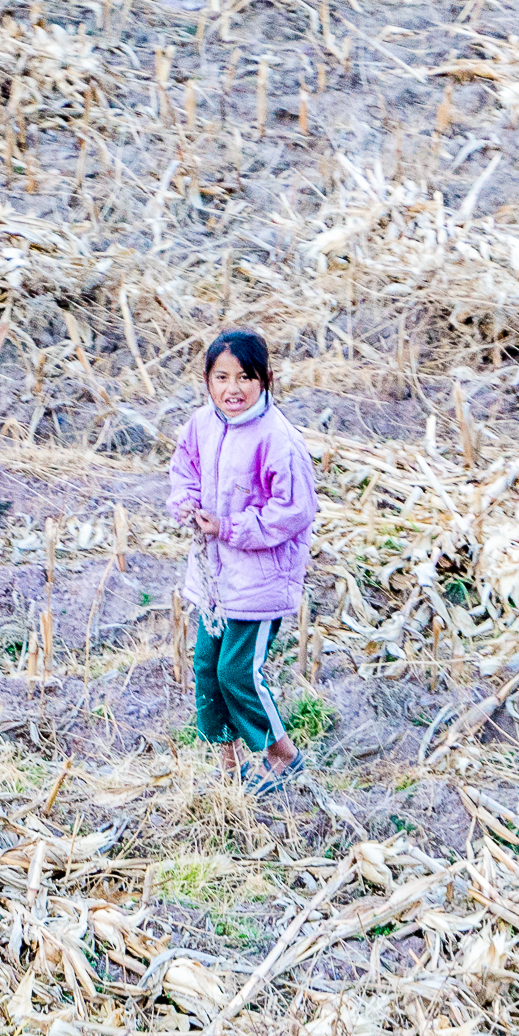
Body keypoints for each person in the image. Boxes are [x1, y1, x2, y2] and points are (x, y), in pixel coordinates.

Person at [169, 329, 318, 796]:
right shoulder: (200, 425)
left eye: (245, 377)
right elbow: (184, 470)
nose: (233, 388)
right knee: (206, 667)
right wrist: (186, 506)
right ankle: (227, 762)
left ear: (266, 380)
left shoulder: (278, 439)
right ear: (208, 381)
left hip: (259, 580)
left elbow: (292, 511)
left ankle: (282, 754)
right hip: (214, 578)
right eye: (222, 377)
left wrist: (228, 527)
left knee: (238, 672)